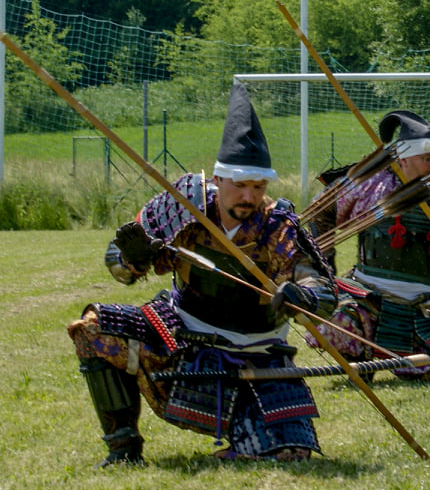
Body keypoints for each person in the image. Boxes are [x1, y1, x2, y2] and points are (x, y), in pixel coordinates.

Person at [67, 82, 341, 465]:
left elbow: (320, 288)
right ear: (218, 181)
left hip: (255, 351)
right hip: (182, 331)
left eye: (257, 186)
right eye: (240, 186)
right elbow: (119, 264)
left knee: (288, 454)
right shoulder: (184, 204)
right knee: (93, 328)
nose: (248, 196)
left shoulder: (277, 223)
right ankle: (123, 451)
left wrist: (303, 296)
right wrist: (134, 258)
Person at [308, 110, 430, 380]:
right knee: (334, 322)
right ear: (402, 159)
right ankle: (359, 357)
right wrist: (325, 261)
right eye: (427, 159)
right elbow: (322, 210)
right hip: (368, 299)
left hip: (423, 307)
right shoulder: (368, 187)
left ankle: (411, 362)